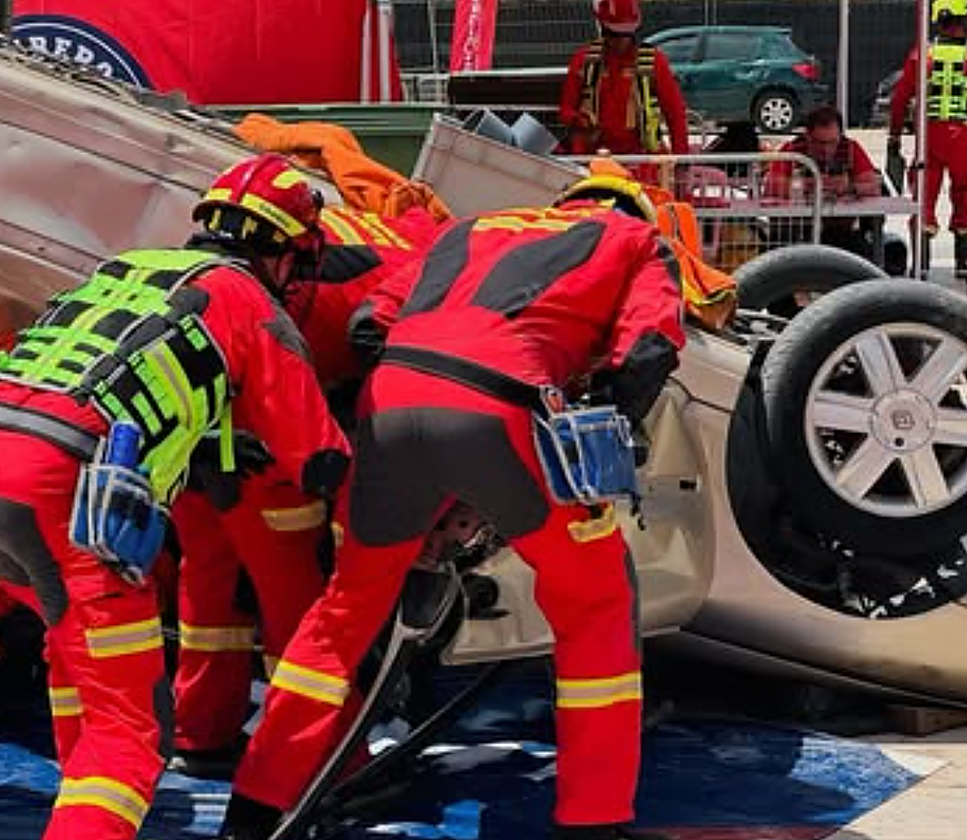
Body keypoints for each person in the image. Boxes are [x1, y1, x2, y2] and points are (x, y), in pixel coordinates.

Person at [218, 171, 686, 840]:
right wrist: (591, 432)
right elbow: (647, 350)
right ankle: (594, 819)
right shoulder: (635, 238)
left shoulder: (470, 228)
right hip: (508, 406)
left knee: (342, 616)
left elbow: (368, 325)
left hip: (391, 397)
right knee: (597, 604)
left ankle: (254, 809)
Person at [0, 153, 351, 840]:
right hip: (68, 488)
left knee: (74, 650)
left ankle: (76, 802)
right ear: (284, 254)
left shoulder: (126, 269)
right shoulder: (250, 303)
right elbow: (319, 459)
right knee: (130, 731)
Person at [170, 203, 444, 779]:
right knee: (298, 604)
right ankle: (320, 760)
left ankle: (201, 732)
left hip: (189, 444)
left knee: (209, 578)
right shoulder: (412, 270)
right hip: (269, 447)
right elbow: (316, 429)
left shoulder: (174, 272)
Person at [890, 0, 967, 276]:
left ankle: (921, 265)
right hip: (964, 137)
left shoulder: (922, 54)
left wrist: (894, 136)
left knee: (923, 198)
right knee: (965, 197)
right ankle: (964, 263)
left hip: (929, 137)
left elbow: (900, 99)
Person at [558, 0, 689, 160]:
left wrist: (682, 160)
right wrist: (580, 121)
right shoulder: (584, 61)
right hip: (593, 157)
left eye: (627, 34)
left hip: (642, 158)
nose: (621, 41)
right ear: (603, 28)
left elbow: (675, 113)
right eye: (614, 34)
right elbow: (565, 111)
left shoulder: (654, 62)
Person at [765, 105, 883, 261]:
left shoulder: (851, 149)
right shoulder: (792, 150)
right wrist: (808, 185)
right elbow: (770, 186)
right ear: (808, 136)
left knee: (861, 251)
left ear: (840, 135)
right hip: (796, 229)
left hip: (840, 230)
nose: (826, 149)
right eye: (819, 143)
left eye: (832, 142)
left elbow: (874, 186)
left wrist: (849, 187)